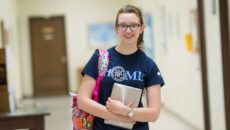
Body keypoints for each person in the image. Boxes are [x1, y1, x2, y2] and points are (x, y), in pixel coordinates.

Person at [78, 4, 165, 130]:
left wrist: (126, 111)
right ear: (116, 29)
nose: (128, 30)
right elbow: (82, 101)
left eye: (133, 25)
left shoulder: (149, 65)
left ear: (142, 28)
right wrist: (117, 116)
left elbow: (154, 113)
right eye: (123, 25)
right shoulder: (100, 58)